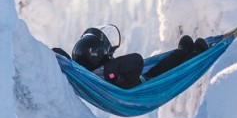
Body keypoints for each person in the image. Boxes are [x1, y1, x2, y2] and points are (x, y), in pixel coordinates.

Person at [53, 26, 208, 89]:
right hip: (141, 88)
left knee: (165, 65)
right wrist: (109, 68)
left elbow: (57, 51)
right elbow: (136, 61)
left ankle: (182, 52)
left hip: (138, 80)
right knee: (170, 72)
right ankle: (194, 56)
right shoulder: (102, 74)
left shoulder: (83, 73)